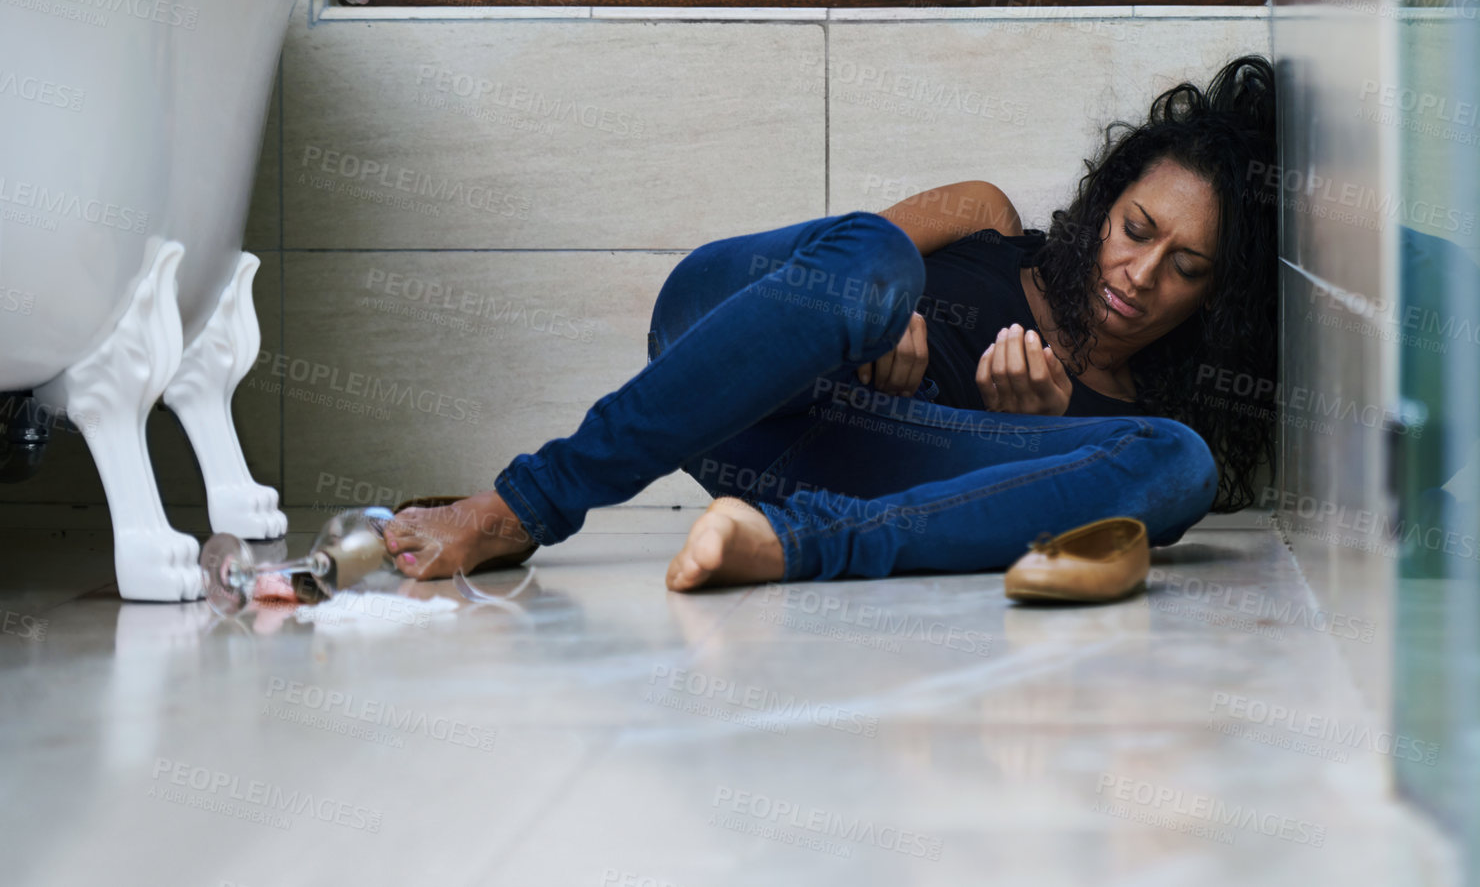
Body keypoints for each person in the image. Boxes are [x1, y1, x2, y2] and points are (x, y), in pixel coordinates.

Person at [382, 56, 1280, 591]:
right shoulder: (986, 215)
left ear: (1213, 299)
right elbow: (834, 270)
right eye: (1137, 230)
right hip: (724, 362)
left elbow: (998, 491)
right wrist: (875, 320)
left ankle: (786, 545)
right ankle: (528, 501)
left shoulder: (1116, 421)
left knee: (1179, 462)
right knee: (880, 262)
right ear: (1103, 201)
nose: (1141, 272)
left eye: (1186, 267)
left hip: (819, 472)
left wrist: (1030, 429)